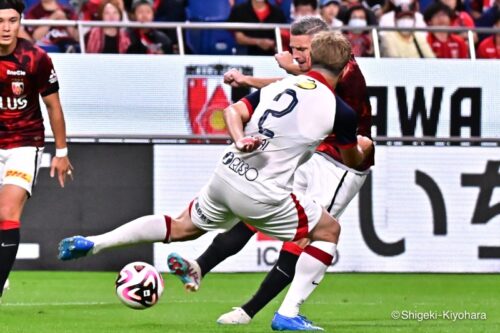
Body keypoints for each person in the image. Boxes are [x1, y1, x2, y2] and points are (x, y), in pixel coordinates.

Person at [58, 30, 373, 330]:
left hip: (229, 170)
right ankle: (288, 314)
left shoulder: (280, 87)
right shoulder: (340, 111)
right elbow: (350, 160)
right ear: (345, 68)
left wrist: (239, 139)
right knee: (328, 229)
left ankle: (97, 242)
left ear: (311, 58)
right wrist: (361, 148)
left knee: (181, 226)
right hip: (262, 191)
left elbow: (233, 112)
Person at [166, 16, 374, 327]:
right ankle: (200, 266)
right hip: (314, 154)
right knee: (255, 214)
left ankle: (257, 311)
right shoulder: (318, 66)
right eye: (293, 49)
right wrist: (264, 78)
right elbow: (294, 84)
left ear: (320, 47)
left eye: (302, 49)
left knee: (308, 237)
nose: (297, 56)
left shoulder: (344, 70)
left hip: (339, 165)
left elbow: (304, 84)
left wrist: (274, 73)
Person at [0, 0, 73, 300]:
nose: (5, 27)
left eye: (12, 20)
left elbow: (53, 106)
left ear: (20, 22)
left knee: (7, 212)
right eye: (0, 20)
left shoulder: (36, 58)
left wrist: (61, 151)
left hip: (23, 143)